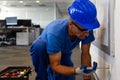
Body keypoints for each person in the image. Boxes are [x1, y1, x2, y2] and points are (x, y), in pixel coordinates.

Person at [30, 0, 100, 80]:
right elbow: (55, 66)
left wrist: (87, 77)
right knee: (39, 47)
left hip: (64, 51)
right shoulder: (55, 32)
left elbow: (85, 54)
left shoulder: (85, 28)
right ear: (71, 24)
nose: (87, 34)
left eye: (89, 30)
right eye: (84, 30)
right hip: (43, 50)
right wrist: (76, 71)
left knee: (68, 77)